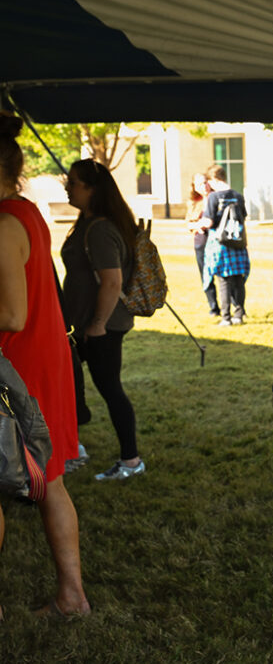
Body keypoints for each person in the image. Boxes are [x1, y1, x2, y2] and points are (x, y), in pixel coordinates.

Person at [0, 112, 92, 617]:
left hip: (16, 371)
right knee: (48, 479)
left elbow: (11, 312)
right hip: (43, 361)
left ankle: (72, 596)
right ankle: (72, 595)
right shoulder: (27, 211)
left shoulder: (3, 222)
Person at [60, 158, 145, 482]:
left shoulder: (101, 229)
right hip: (83, 325)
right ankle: (72, 447)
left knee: (110, 388)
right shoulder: (87, 222)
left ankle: (131, 460)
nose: (68, 188)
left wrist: (96, 325)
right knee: (67, 384)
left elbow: (112, 281)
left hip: (101, 327)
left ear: (92, 189)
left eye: (73, 183)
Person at [200, 164, 249, 326]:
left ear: (214, 179)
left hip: (220, 244)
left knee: (223, 280)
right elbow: (243, 216)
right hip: (238, 242)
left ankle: (226, 317)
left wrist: (197, 225)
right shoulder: (238, 196)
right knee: (238, 280)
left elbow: (208, 221)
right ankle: (239, 315)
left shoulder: (213, 198)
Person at [185, 171, 221, 317]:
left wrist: (203, 224)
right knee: (206, 276)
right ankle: (213, 307)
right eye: (200, 183)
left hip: (218, 242)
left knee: (223, 275)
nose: (204, 186)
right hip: (200, 242)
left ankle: (230, 307)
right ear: (194, 187)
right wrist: (199, 225)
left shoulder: (218, 197)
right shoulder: (194, 202)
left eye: (205, 181)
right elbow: (188, 224)